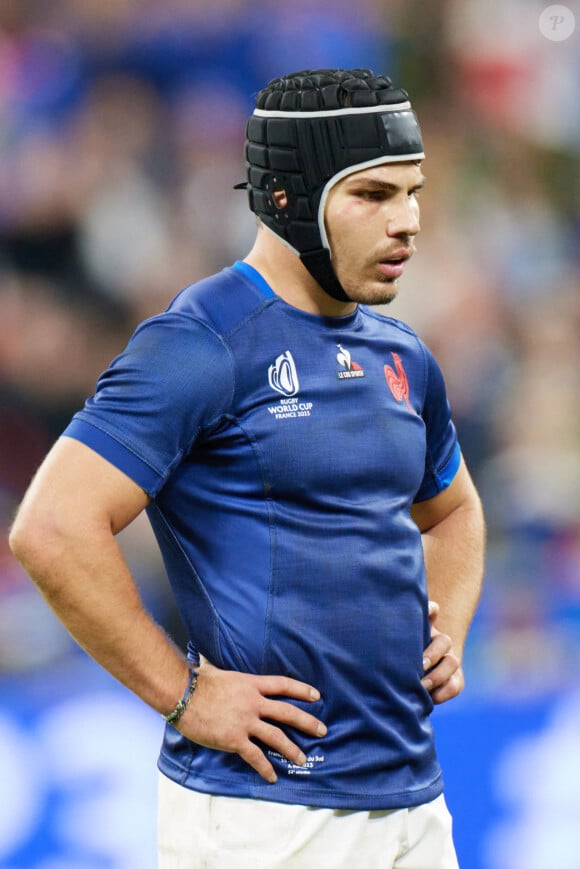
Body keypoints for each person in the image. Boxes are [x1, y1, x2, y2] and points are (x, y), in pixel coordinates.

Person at [9, 69, 485, 868]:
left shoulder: (404, 354)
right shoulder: (199, 342)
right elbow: (51, 528)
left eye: (413, 191)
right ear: (290, 198)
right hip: (264, 816)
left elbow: (456, 510)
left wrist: (452, 626)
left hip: (413, 801)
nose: (407, 222)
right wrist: (187, 695)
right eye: (372, 195)